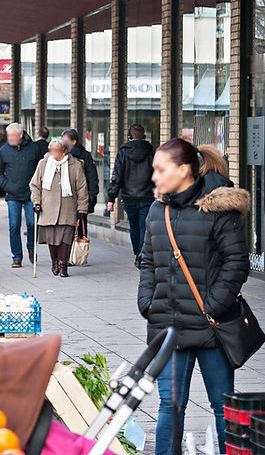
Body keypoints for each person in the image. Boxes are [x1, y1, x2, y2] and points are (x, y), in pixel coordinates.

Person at [138, 139, 250, 455]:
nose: (155, 177)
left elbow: (236, 261)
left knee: (221, 405)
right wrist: (146, 300)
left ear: (184, 170)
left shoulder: (218, 208)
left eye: (161, 170)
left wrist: (213, 305)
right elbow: (147, 259)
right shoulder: (158, 210)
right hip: (168, 327)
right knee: (169, 406)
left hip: (212, 327)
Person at [29, 139, 88, 277]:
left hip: (68, 208)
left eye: (56, 150)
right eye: (51, 150)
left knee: (65, 238)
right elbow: (35, 185)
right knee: (52, 239)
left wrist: (82, 208)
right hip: (47, 208)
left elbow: (82, 188)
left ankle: (63, 265)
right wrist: (36, 202)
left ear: (64, 151)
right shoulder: (43, 164)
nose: (53, 153)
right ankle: (54, 261)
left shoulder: (75, 165)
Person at [107, 123, 155, 269]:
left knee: (134, 227)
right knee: (144, 227)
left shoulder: (123, 152)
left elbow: (117, 176)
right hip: (147, 196)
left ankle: (137, 254)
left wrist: (111, 198)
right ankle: (142, 255)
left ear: (129, 137)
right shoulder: (151, 151)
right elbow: (157, 173)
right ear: (144, 136)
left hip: (128, 197)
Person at [0, 123, 42, 268]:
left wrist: (37, 188)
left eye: (13, 136)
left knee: (32, 223)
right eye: (8, 136)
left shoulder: (33, 148)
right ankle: (17, 257)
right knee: (14, 226)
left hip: (30, 194)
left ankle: (31, 247)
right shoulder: (4, 150)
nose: (10, 138)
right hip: (12, 194)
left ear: (21, 136)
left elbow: (41, 168)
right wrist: (7, 186)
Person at [61, 129, 99, 235]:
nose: (63, 142)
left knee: (80, 227)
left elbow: (92, 177)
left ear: (73, 142)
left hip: (80, 197)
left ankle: (78, 250)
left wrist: (92, 196)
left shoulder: (84, 156)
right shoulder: (62, 155)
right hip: (65, 198)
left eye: (65, 140)